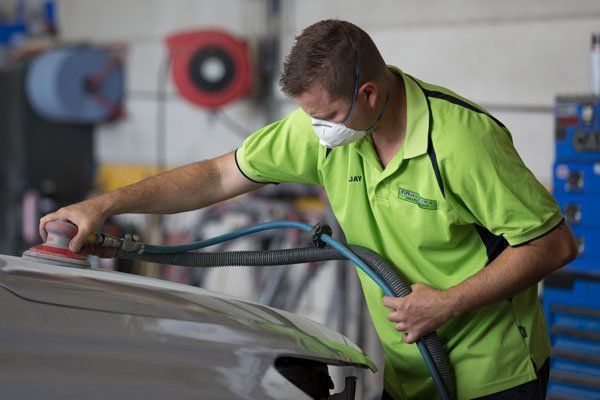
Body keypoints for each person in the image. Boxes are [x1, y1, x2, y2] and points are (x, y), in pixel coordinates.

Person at [40, 19, 578, 399]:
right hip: (408, 369)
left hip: (494, 375)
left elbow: (554, 245)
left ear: (369, 93)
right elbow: (219, 174)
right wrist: (106, 203)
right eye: (309, 117)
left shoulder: (462, 143)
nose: (317, 130)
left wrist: (446, 304)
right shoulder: (322, 131)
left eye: (326, 116)